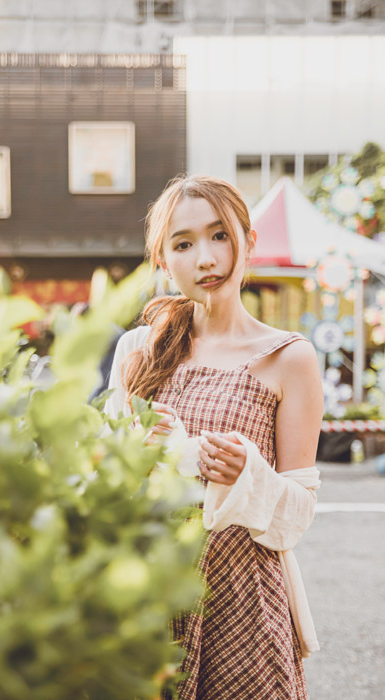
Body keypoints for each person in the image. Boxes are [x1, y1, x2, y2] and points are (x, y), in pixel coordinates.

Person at [105, 175, 324, 700]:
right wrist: (147, 454)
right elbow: (104, 477)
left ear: (248, 242)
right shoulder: (139, 350)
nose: (205, 258)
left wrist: (247, 475)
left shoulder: (290, 358)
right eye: (183, 244)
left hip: (244, 604)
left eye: (219, 236)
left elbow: (297, 513)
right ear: (163, 260)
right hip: (148, 594)